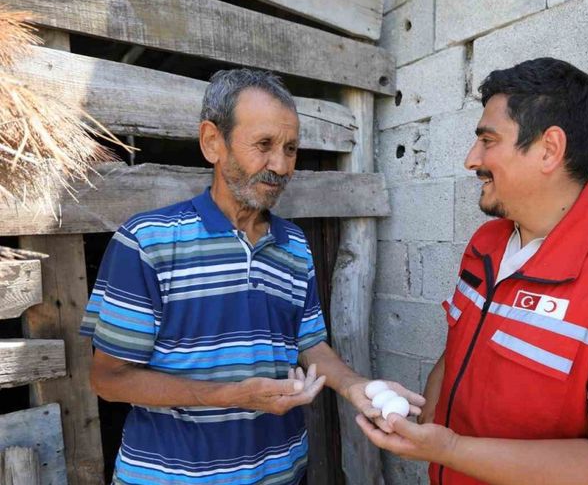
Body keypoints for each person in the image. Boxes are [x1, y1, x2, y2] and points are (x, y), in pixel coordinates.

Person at [357, 58, 588, 485]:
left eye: (488, 140)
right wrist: (415, 415)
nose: (472, 160)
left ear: (548, 149)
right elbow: (460, 352)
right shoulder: (485, 245)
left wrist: (447, 448)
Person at [80, 69, 423, 485]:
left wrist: (356, 388)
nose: (280, 165)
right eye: (264, 145)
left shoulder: (294, 245)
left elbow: (310, 344)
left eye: (291, 149)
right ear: (213, 142)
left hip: (282, 473)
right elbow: (108, 379)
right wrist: (231, 397)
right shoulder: (147, 242)